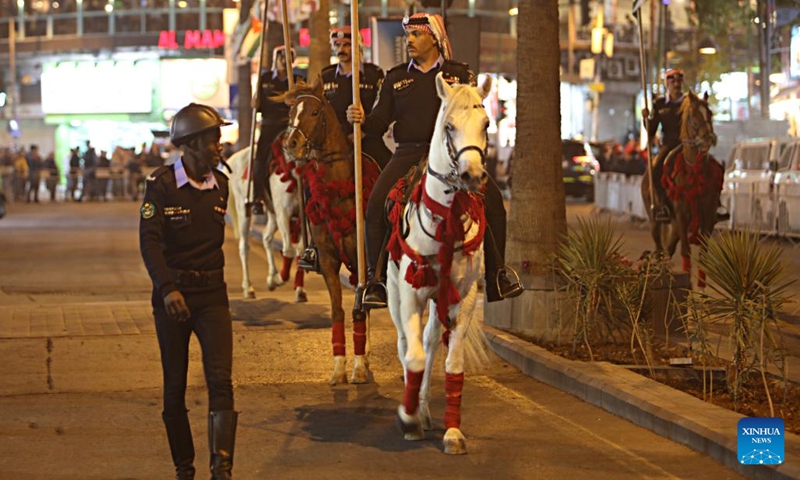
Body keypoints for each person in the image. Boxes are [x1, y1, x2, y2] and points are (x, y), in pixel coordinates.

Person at [346, 13, 523, 308]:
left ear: (434, 38)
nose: (410, 41)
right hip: (408, 153)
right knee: (376, 205)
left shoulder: (459, 74)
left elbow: (471, 111)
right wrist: (361, 120)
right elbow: (379, 122)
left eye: (416, 35)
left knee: (493, 203)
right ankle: (375, 281)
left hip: (451, 155)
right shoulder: (396, 77)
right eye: (408, 36)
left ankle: (497, 275)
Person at [139, 103, 238, 480]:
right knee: (174, 387)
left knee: (221, 381)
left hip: (213, 295)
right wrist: (166, 289)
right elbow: (149, 242)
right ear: (193, 144)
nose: (220, 145)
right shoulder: (161, 185)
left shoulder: (222, 186)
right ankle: (184, 468)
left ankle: (221, 468)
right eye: (214, 138)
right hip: (172, 299)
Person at [643, 68, 728, 222]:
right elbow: (652, 130)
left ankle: (716, 204)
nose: (676, 84)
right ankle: (661, 205)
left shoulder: (690, 102)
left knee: (715, 168)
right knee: (655, 170)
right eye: (672, 81)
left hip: (689, 145)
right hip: (669, 145)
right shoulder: (660, 104)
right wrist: (646, 120)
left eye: (678, 81)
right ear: (666, 83)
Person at [250, 46, 305, 215]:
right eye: (280, 57)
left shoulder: (297, 79)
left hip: (289, 124)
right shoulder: (265, 78)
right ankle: (257, 197)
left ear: (293, 61)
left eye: (287, 58)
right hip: (269, 124)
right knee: (261, 157)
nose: (283, 61)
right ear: (275, 59)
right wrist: (255, 103)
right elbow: (256, 105)